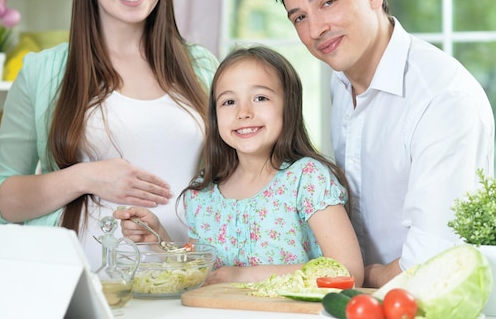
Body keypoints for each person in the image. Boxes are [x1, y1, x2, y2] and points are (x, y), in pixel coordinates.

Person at [0, 0, 219, 270]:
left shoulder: (201, 67)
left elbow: (237, 177)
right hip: (81, 283)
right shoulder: (44, 71)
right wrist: (86, 176)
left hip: (184, 281)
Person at [268, 0, 495, 287]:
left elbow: (431, 265)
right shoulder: (340, 82)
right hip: (363, 303)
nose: (316, 29)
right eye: (299, 17)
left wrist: (351, 274)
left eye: (328, 2)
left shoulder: (444, 100)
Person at [115, 46, 364, 286]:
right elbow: (200, 275)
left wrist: (241, 275)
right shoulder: (203, 195)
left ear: (289, 106)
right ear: (214, 115)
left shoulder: (308, 179)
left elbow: (348, 272)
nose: (243, 112)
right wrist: (158, 239)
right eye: (229, 102)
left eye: (260, 98)